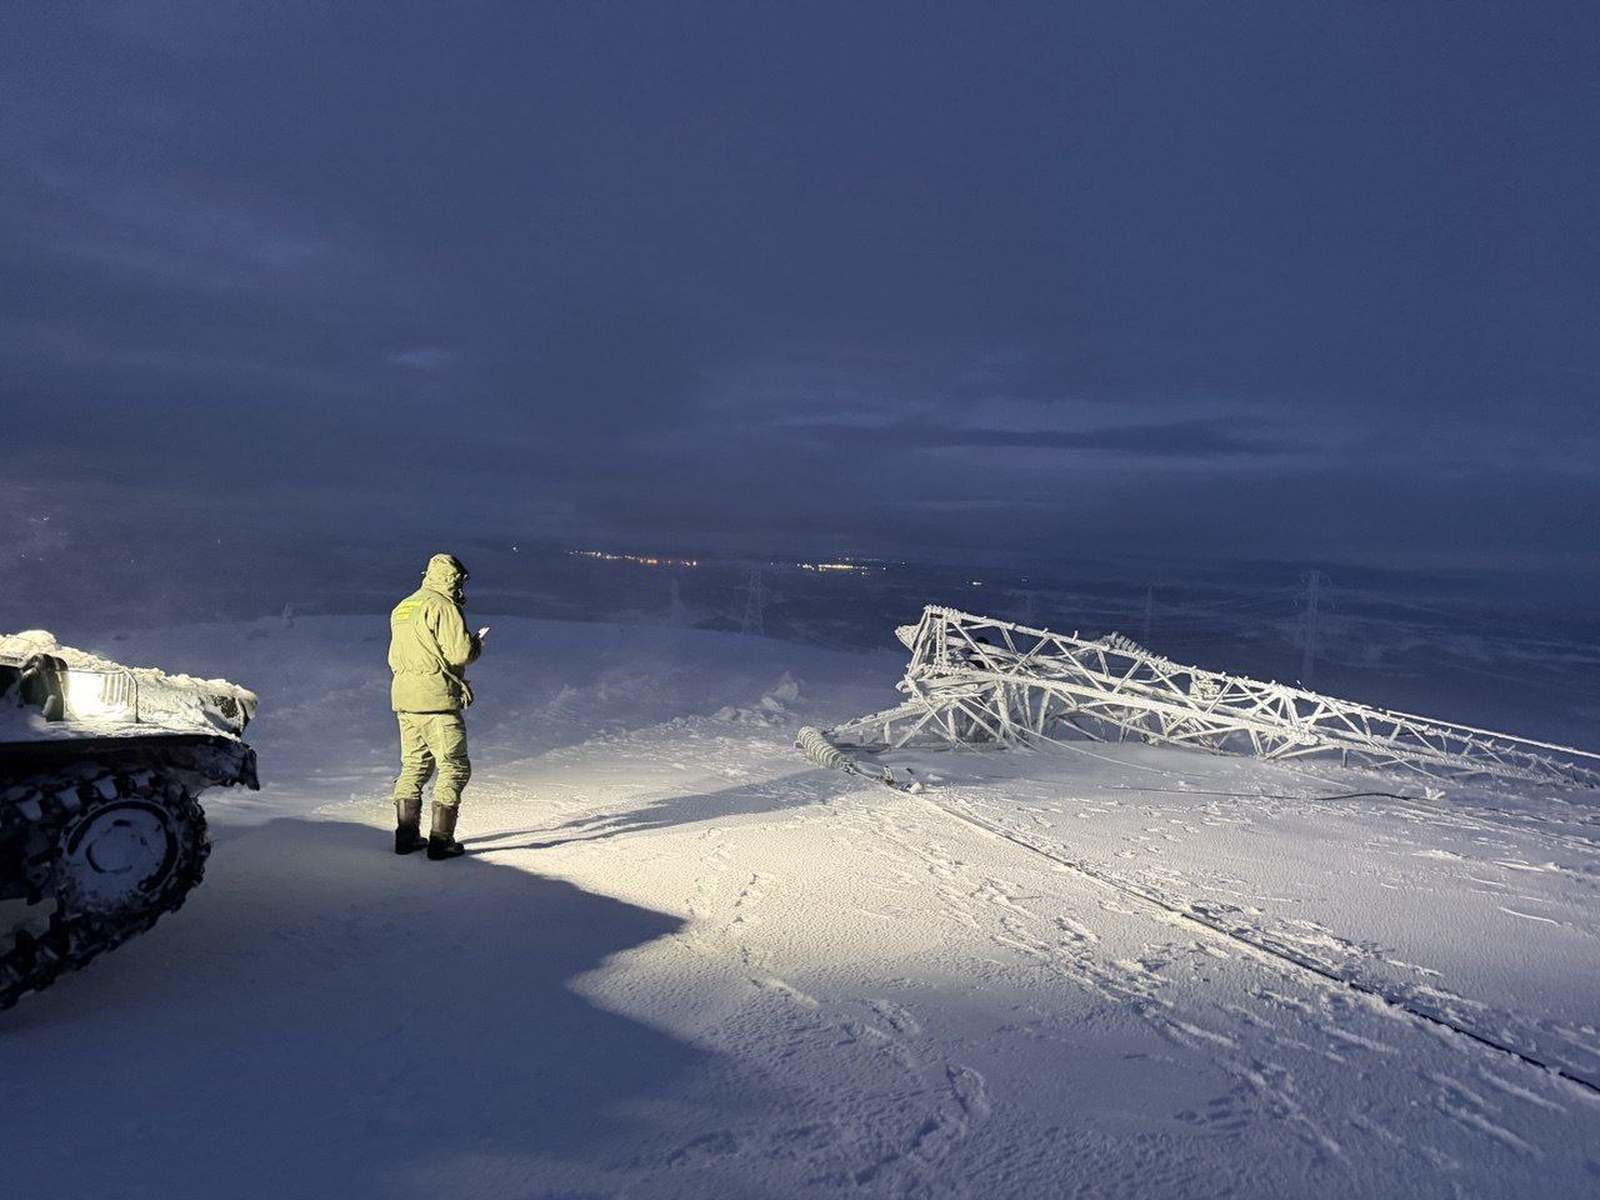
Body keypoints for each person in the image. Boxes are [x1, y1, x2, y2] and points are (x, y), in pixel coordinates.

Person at [387, 553, 488, 860]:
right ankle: (441, 842)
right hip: (436, 700)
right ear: (453, 579)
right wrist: (477, 644)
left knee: (413, 765)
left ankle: (406, 838)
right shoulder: (444, 606)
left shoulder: (404, 606)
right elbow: (460, 654)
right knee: (454, 766)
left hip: (405, 699)